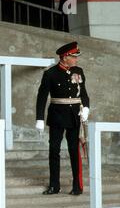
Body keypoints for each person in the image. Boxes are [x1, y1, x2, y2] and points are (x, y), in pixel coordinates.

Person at [35, 41, 90, 196]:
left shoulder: (78, 71)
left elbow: (83, 92)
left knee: (74, 150)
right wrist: (39, 118)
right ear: (65, 57)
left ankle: (77, 186)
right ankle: (54, 185)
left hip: (74, 116)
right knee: (54, 150)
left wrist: (86, 107)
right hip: (57, 115)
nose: (76, 59)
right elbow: (41, 97)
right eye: (74, 56)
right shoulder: (50, 74)